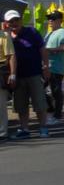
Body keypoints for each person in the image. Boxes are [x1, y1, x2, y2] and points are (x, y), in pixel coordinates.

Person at [8, 9, 51, 139]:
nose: (14, 23)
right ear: (7, 23)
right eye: (11, 21)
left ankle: (43, 128)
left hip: (34, 73)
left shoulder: (31, 32)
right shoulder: (6, 36)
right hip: (18, 75)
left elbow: (42, 49)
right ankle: (24, 129)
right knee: (21, 105)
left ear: (21, 20)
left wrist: (46, 67)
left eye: (16, 20)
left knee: (39, 102)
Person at [43, 10, 64, 120]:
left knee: (56, 90)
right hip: (46, 66)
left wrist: (48, 50)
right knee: (40, 89)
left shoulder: (62, 32)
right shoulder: (48, 33)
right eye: (49, 18)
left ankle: (58, 114)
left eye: (53, 18)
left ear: (59, 20)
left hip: (56, 67)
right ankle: (50, 108)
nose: (50, 20)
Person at [0, 20, 14, 141]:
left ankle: (2, 132)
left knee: (0, 105)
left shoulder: (4, 36)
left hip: (1, 70)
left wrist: (13, 73)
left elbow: (10, 56)